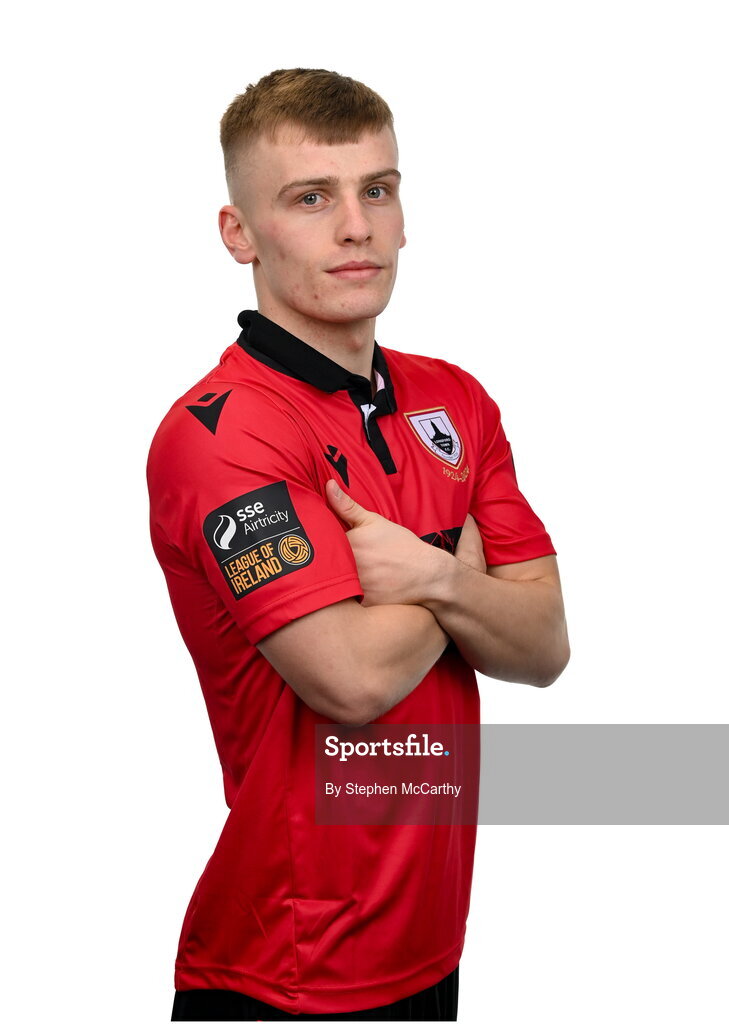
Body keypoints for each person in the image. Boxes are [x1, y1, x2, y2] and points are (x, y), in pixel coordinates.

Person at [147, 68, 570, 1022]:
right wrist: (459, 574)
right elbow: (350, 680)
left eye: (377, 189)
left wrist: (416, 573)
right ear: (238, 233)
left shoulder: (453, 398)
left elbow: (543, 646)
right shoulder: (221, 433)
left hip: (429, 944)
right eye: (311, 197)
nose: (357, 226)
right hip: (285, 969)